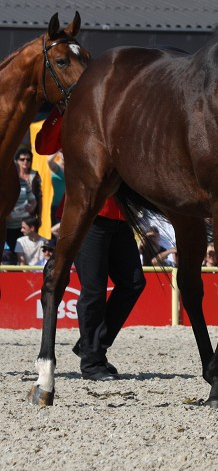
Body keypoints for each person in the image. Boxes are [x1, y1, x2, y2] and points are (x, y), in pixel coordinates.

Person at [36, 107, 145, 381]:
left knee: (133, 283)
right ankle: (92, 362)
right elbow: (42, 146)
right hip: (86, 217)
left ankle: (91, 345)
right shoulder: (75, 117)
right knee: (93, 291)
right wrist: (60, 111)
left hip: (120, 215)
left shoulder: (122, 115)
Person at [15, 148, 42, 228]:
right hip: (14, 217)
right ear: (17, 161)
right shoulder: (13, 176)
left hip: (31, 217)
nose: (25, 162)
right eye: (22, 159)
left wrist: (40, 216)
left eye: (28, 159)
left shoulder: (35, 175)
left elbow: (39, 197)